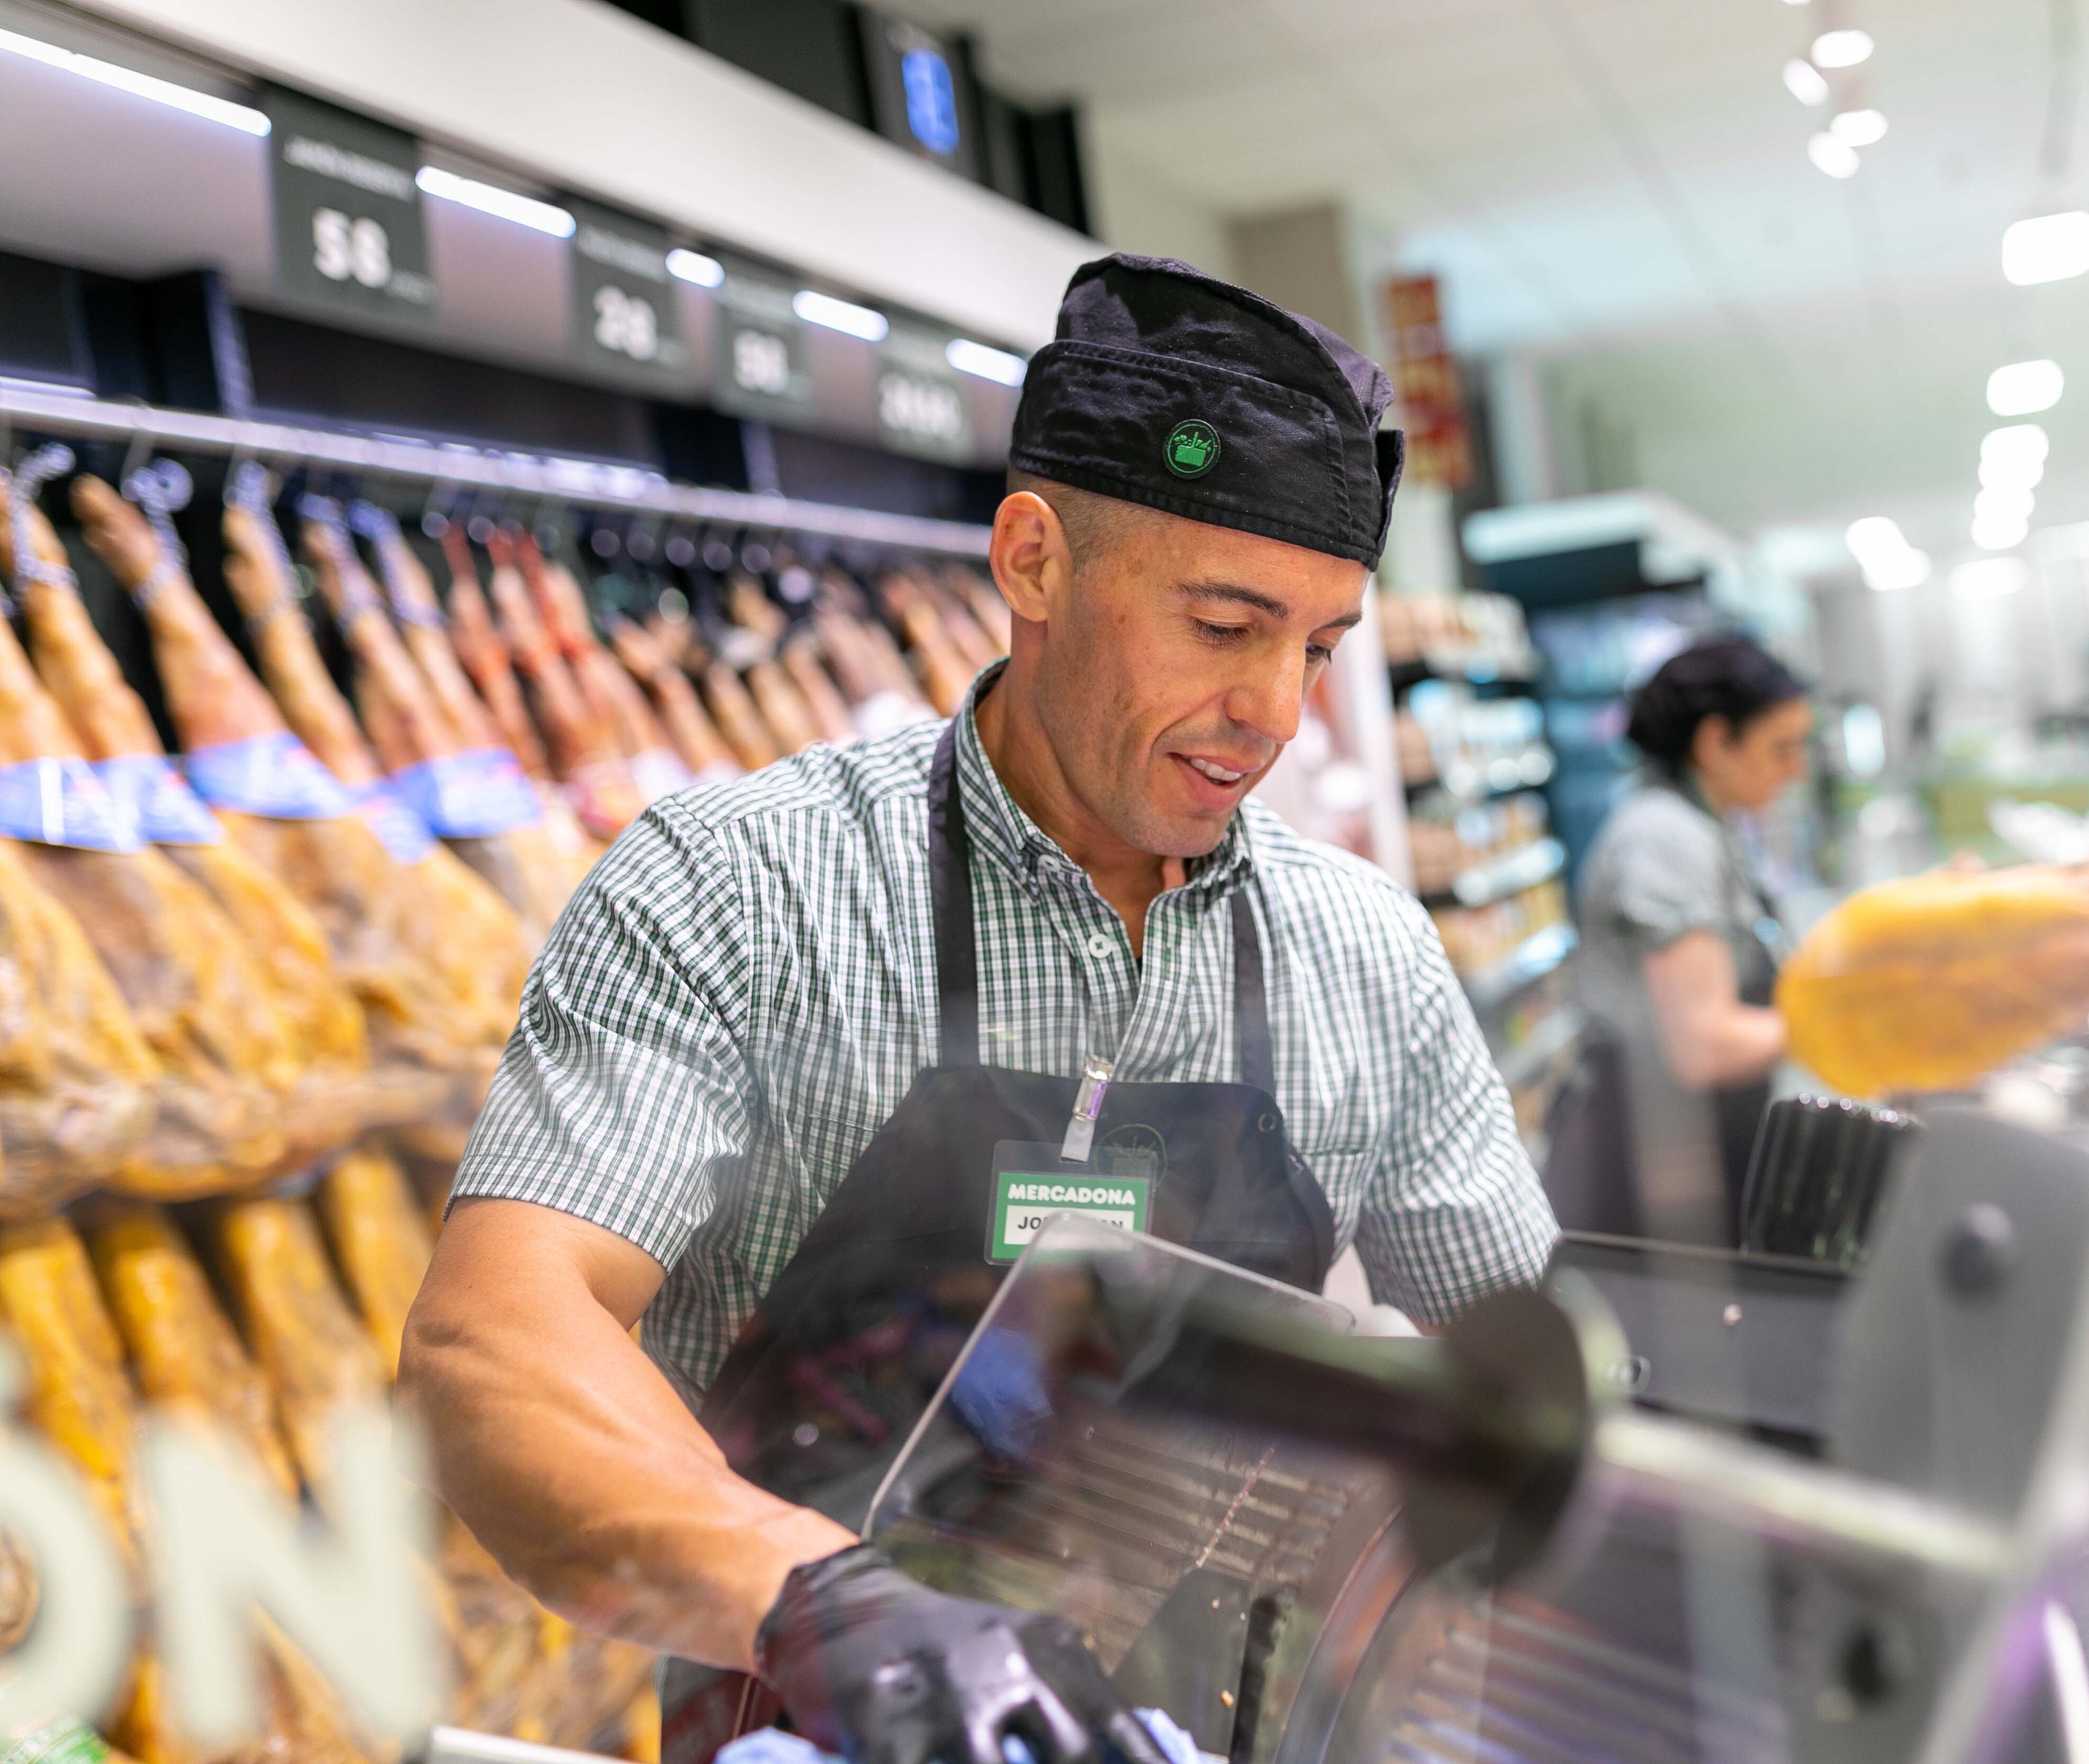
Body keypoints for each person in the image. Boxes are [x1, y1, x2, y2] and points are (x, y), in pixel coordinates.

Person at [398, 255, 1559, 1764]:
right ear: (1034, 561)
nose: (1282, 710)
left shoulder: (1368, 954)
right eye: (1225, 626)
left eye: (1321, 646)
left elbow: (1524, 1391)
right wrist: (814, 1596)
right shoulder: (739, 888)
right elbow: (496, 1338)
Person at [1545, 637, 1812, 1244]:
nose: (1796, 770)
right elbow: (1702, 1045)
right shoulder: (1665, 838)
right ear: (1716, 741)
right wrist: (1850, 1023)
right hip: (1648, 1169)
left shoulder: (1708, 827)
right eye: (1782, 748)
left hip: (1689, 1148)